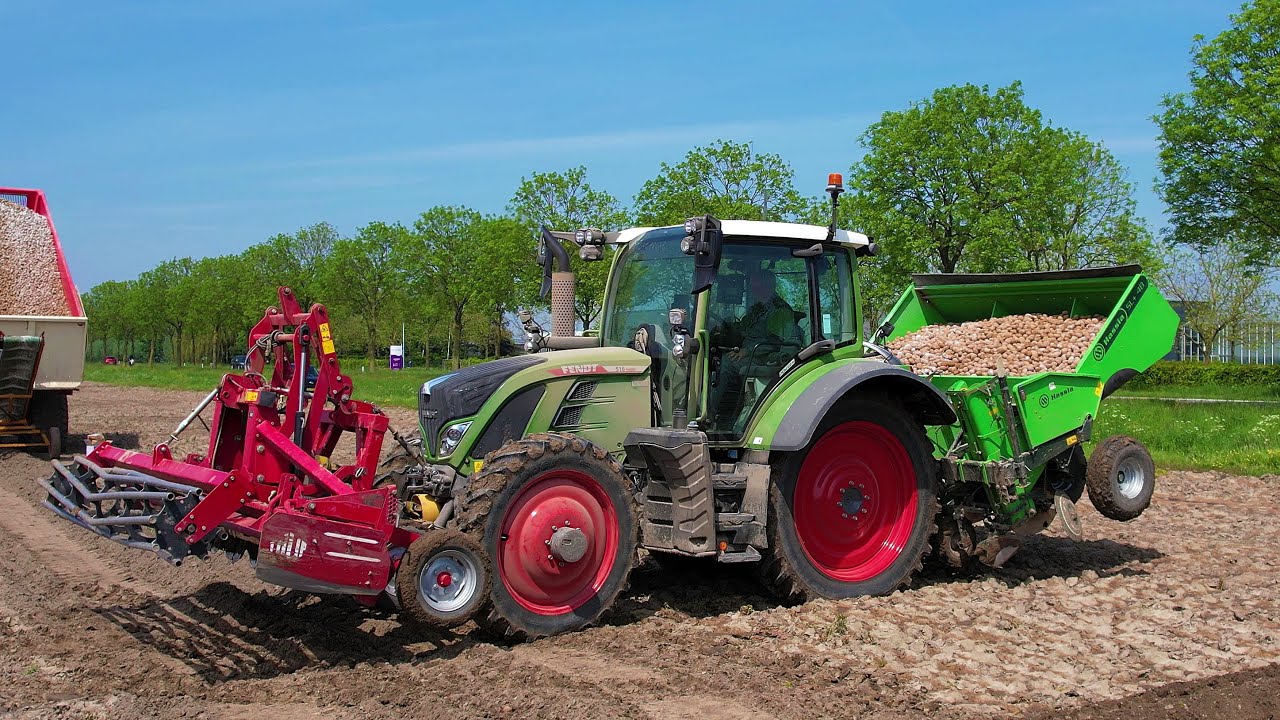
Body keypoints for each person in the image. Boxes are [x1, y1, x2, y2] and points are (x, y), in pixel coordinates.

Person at [711, 267, 802, 431]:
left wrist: (748, 350)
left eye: (754, 283)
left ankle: (715, 414)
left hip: (764, 356)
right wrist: (723, 327)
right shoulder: (758, 308)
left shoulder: (779, 310)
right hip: (749, 351)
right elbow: (743, 328)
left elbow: (776, 342)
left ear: (766, 285)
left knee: (726, 364)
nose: (750, 287)